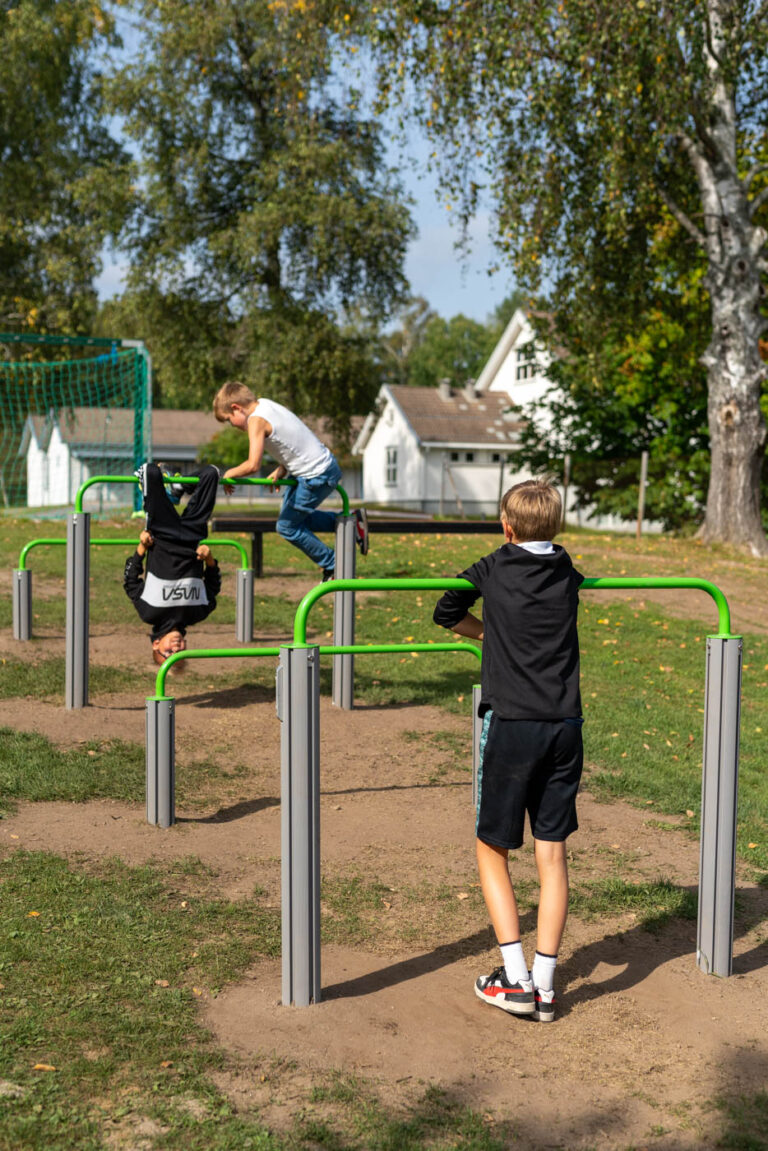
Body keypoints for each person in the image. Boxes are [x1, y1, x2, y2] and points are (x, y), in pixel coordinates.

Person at [433, 479, 584, 1023]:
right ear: (557, 527)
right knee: (552, 854)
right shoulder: (567, 569)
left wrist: (487, 632)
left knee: (491, 847)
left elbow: (446, 610)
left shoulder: (494, 565)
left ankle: (515, 979)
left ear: (506, 526)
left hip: (514, 726)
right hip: (565, 725)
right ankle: (544, 984)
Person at [212, 381, 368, 581]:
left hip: (315, 473)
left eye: (228, 420)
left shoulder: (255, 421)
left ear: (236, 408)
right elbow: (293, 439)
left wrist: (229, 474)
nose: (231, 426)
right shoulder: (266, 404)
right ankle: (352, 522)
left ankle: (333, 564)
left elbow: (253, 464)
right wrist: (282, 468)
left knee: (286, 527)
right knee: (294, 520)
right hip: (314, 468)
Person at [123, 462, 222, 665]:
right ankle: (179, 488)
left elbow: (130, 581)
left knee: (150, 471)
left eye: (168, 652)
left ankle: (168, 491)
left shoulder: (149, 612)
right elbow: (213, 586)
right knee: (211, 473)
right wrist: (210, 560)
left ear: (156, 644)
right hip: (192, 536)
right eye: (180, 652)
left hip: (162, 534)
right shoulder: (197, 613)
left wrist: (141, 548)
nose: (176, 647)